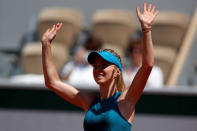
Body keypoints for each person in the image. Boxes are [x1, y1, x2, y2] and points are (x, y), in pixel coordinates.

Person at [41, 2, 159, 131]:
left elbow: (147, 66)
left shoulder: (125, 100)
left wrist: (146, 29)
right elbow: (52, 82)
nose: (98, 69)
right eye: (95, 65)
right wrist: (46, 45)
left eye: (104, 65)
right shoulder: (89, 101)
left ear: (117, 72)